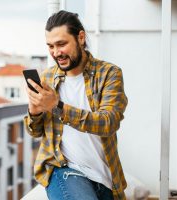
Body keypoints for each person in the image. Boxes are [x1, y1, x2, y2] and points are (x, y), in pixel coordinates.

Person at [24, 10, 128, 200]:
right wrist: (34, 111)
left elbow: (108, 123)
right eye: (50, 46)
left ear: (80, 37)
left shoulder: (109, 74)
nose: (56, 53)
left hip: (106, 178)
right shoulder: (47, 78)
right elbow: (35, 131)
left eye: (61, 44)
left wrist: (57, 106)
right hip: (64, 170)